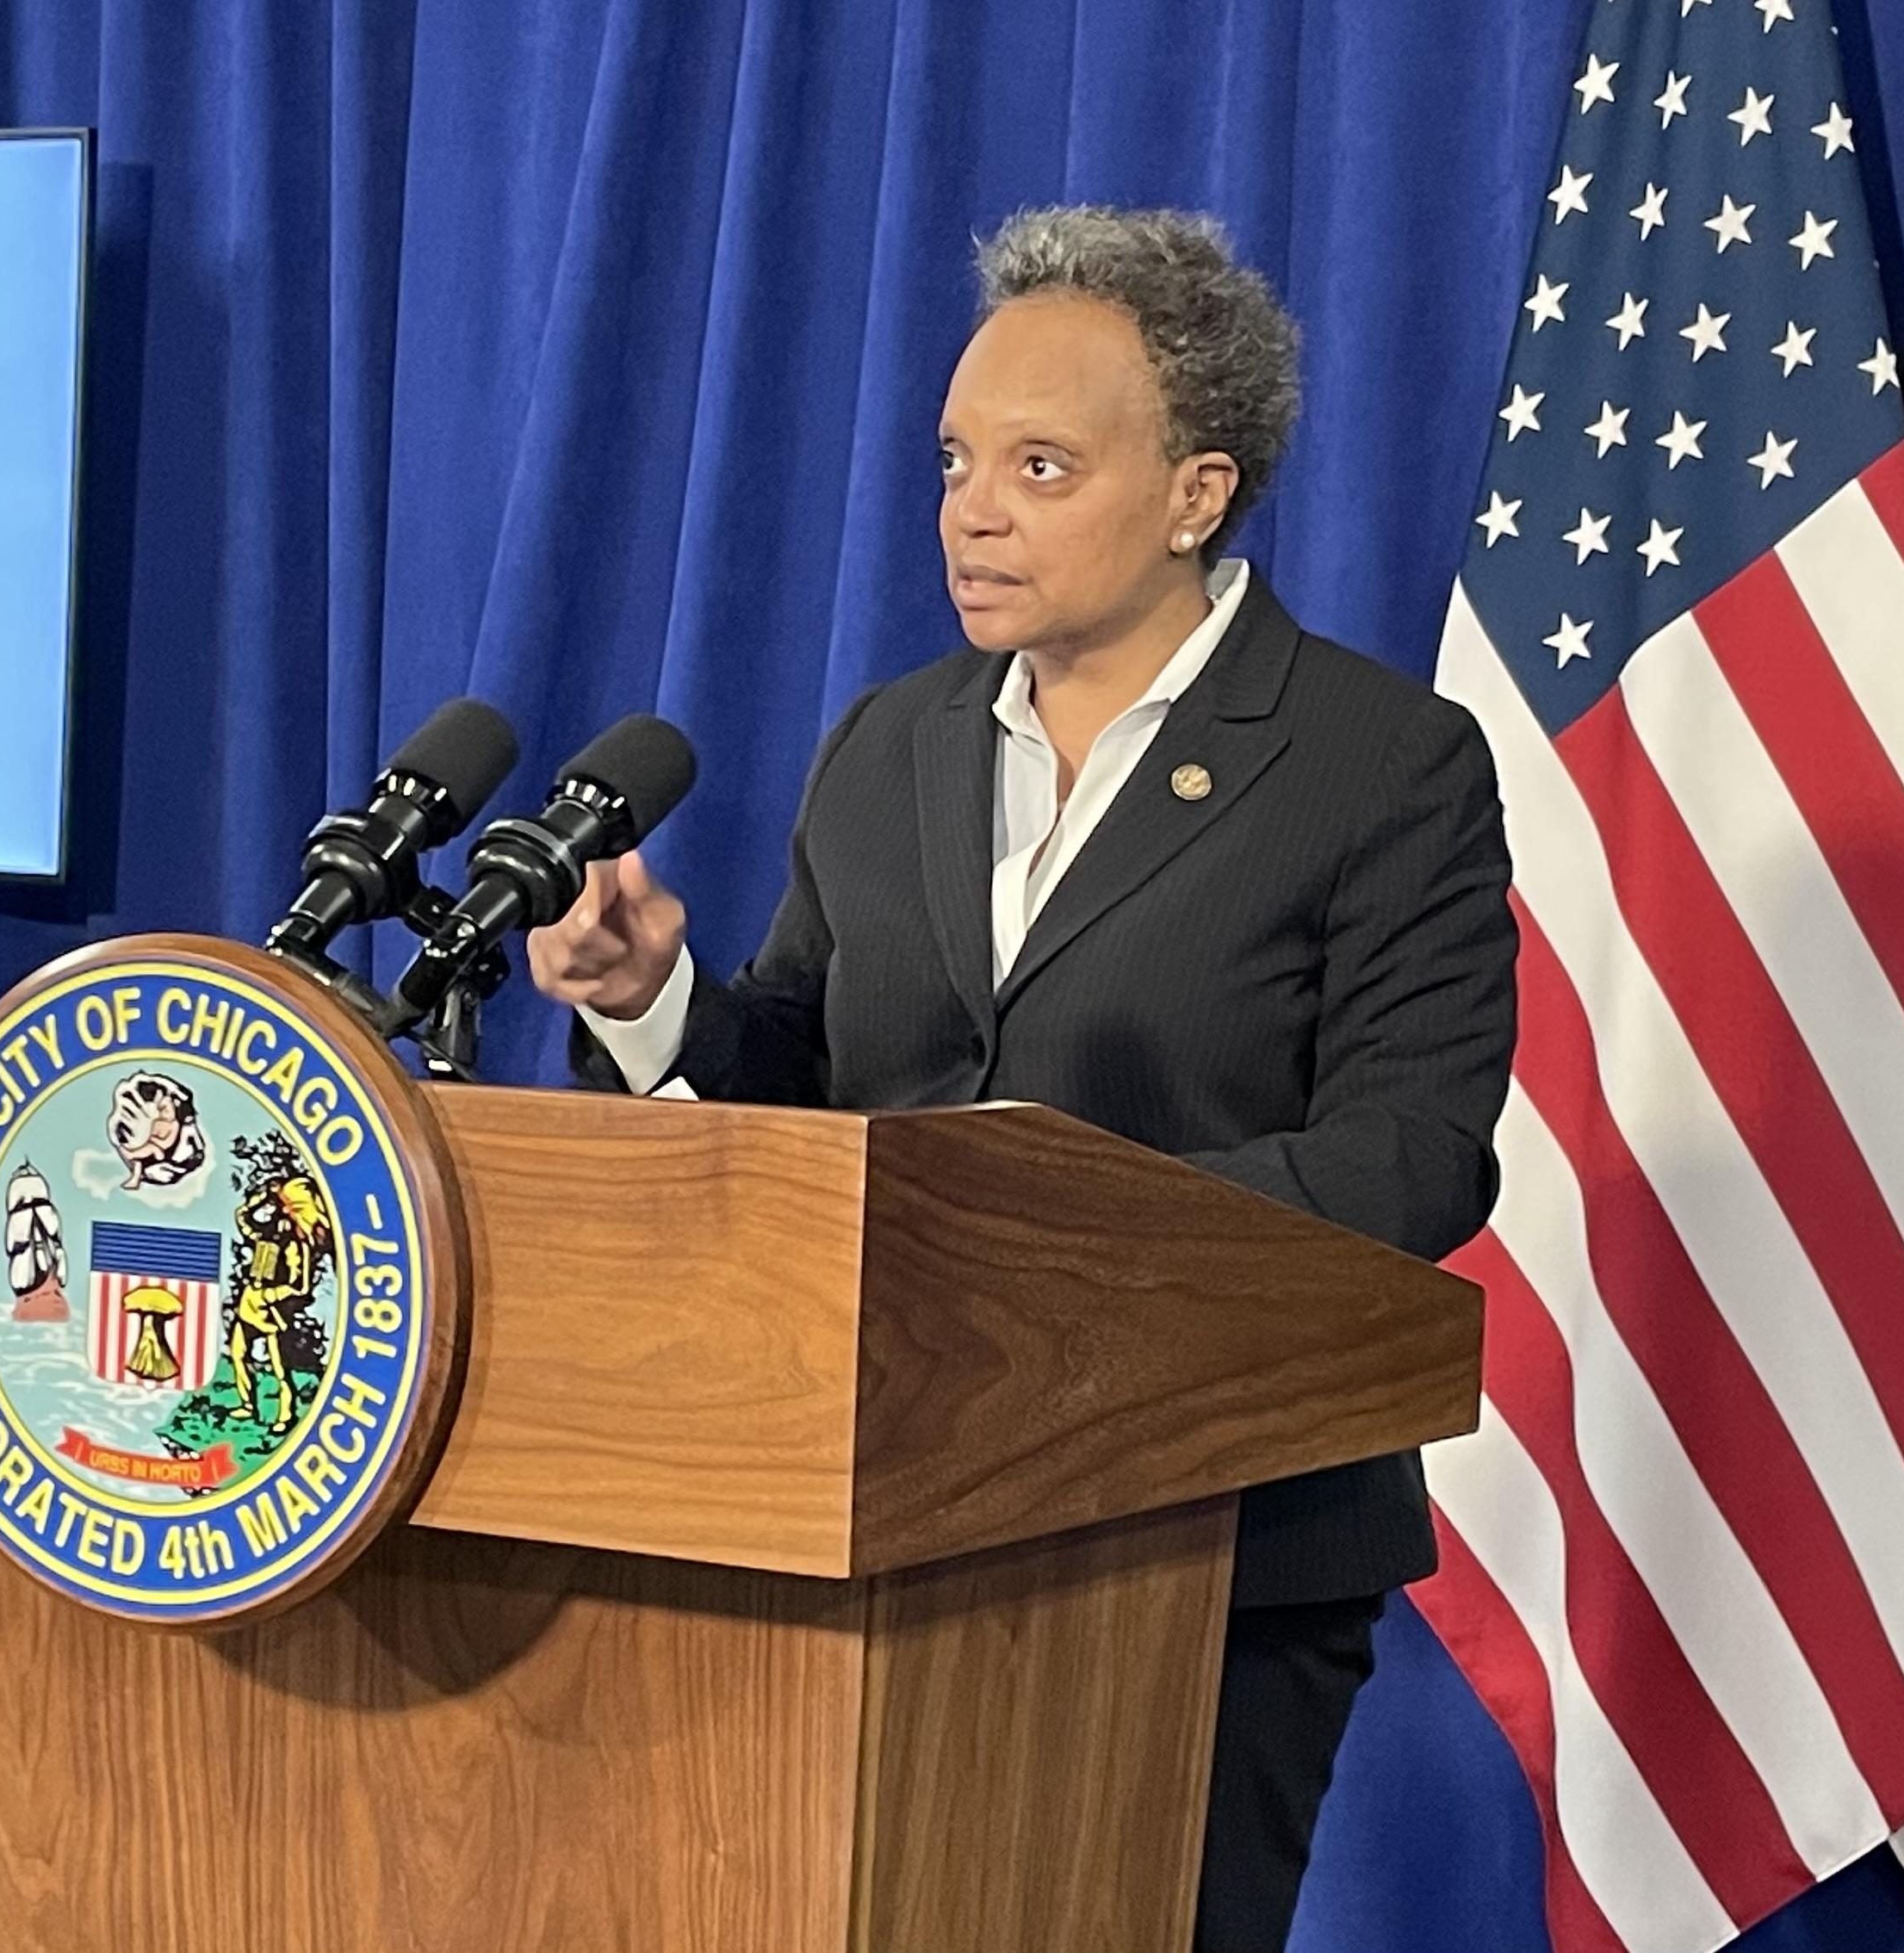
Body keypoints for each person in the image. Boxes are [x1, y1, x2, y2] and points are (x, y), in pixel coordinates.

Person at [525, 204, 1516, 1953]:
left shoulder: (1382, 762)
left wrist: (1030, 1223)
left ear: (1198, 493)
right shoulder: (891, 740)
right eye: (955, 461)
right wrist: (652, 1000)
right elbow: (803, 1073)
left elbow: (1413, 1160)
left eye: (1040, 466)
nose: (971, 511)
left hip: (1215, 1537)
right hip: (884, 1506)